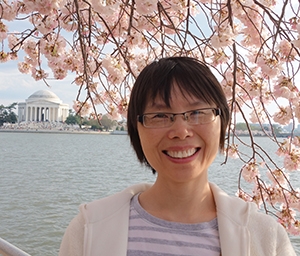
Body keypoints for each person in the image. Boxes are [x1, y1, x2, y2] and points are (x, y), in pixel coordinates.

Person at [59, 57, 296, 256]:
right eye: (160, 115)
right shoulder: (88, 229)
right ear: (136, 129)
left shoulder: (267, 239)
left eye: (197, 113)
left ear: (222, 123)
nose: (181, 131)